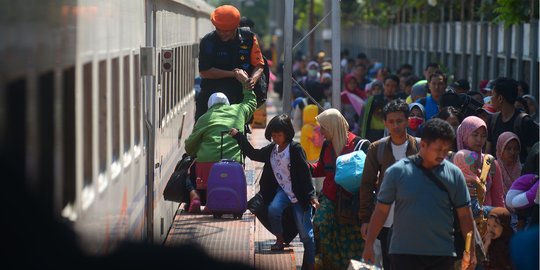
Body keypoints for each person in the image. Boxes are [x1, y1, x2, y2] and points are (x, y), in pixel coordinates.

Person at [362, 118, 477, 270]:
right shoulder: (397, 172)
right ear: (423, 145)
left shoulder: (455, 174)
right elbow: (381, 211)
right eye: (438, 149)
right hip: (404, 254)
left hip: (442, 254)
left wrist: (471, 251)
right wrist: (369, 245)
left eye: (446, 150)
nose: (442, 154)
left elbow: (465, 215)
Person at [229, 114, 318, 270]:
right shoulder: (272, 150)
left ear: (287, 134)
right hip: (283, 192)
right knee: (273, 210)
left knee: (306, 235)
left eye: (279, 135)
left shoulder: (296, 150)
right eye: (273, 135)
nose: (276, 138)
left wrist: (311, 195)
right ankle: (280, 239)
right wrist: (239, 137)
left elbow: (305, 174)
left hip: (299, 195)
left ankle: (310, 264)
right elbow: (254, 154)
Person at [359, 99, 422, 270]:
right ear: (385, 123)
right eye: (391, 122)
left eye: (400, 121)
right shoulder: (376, 149)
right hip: (386, 222)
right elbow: (366, 185)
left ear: (408, 120)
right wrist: (365, 219)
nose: (396, 126)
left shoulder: (420, 147)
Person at [184, 88, 256, 212]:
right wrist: (246, 83)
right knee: (227, 178)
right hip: (233, 165)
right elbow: (251, 102)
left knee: (188, 170)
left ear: (210, 105)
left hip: (206, 165)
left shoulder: (204, 118)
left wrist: (198, 150)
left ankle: (195, 196)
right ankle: (213, 204)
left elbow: (189, 147)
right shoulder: (239, 111)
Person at [309, 109, 365, 269]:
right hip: (330, 199)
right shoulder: (327, 145)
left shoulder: (359, 145)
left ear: (333, 127)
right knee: (321, 224)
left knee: (351, 240)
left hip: (351, 204)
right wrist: (302, 166)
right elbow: (320, 169)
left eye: (324, 128)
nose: (322, 132)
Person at [196, 5, 265, 121]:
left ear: (236, 26)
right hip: (212, 95)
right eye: (219, 30)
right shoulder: (208, 41)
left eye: (227, 31)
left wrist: (252, 80)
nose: (223, 34)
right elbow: (205, 71)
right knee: (202, 125)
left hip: (240, 95)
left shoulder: (249, 38)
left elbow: (259, 64)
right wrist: (234, 74)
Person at [486, 77, 539, 163]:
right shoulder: (492, 120)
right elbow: (488, 155)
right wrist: (484, 175)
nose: (490, 99)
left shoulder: (525, 122)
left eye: (492, 95)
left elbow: (533, 158)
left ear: (500, 98)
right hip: (496, 175)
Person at [456, 116, 504, 208]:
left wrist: (501, 217)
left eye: (483, 136)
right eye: (475, 134)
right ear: (464, 134)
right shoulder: (451, 162)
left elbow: (498, 198)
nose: (479, 139)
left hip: (485, 218)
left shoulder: (489, 162)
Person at [360, 75, 406, 142]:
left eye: (393, 86)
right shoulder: (373, 100)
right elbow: (364, 120)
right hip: (373, 135)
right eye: (387, 85)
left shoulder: (400, 102)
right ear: (383, 85)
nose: (390, 88)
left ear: (397, 87)